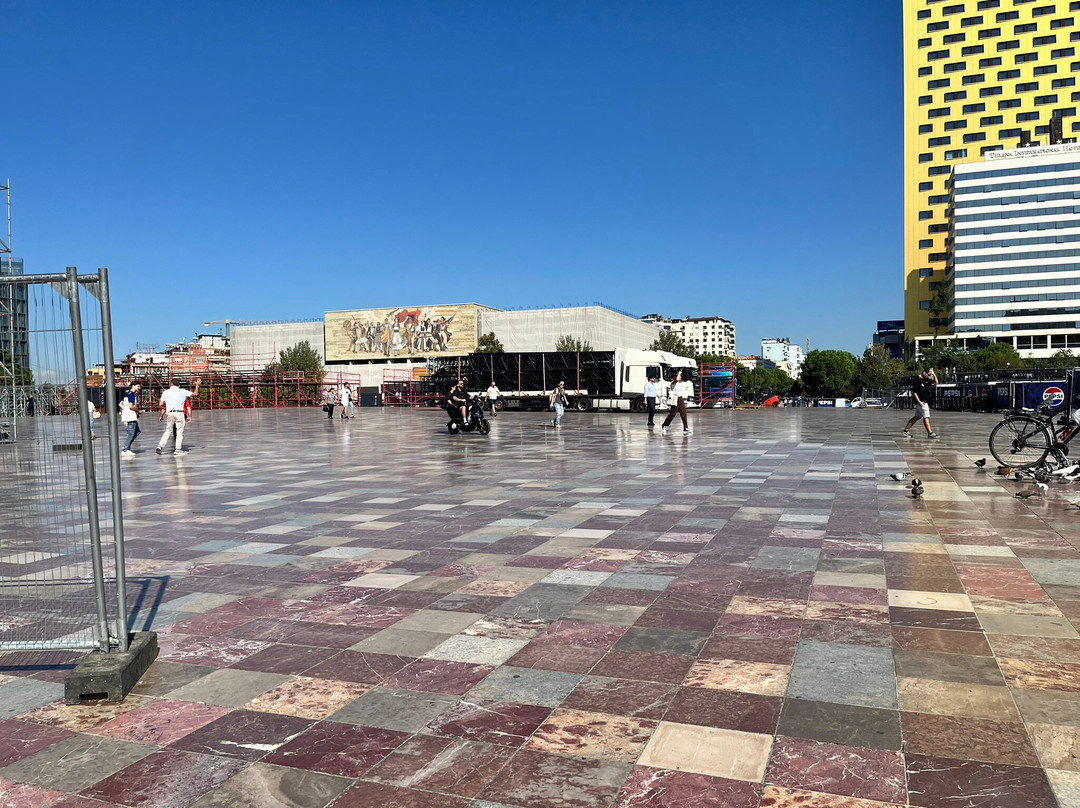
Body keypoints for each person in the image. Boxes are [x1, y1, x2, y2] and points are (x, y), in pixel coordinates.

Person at [156, 379, 200, 455]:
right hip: (179, 413)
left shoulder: (166, 392)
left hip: (170, 413)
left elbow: (161, 403)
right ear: (178, 384)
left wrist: (169, 405)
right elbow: (195, 394)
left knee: (168, 430)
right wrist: (197, 385)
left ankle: (160, 446)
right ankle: (178, 449)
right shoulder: (182, 391)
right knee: (179, 431)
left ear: (171, 384)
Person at [903, 367, 939, 440]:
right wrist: (919, 402)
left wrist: (934, 374)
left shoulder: (925, 379)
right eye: (929, 375)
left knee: (917, 416)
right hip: (921, 402)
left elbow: (936, 382)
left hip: (925, 401)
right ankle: (930, 432)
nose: (929, 377)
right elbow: (914, 392)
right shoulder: (917, 380)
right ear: (924, 373)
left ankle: (906, 430)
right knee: (926, 416)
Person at [120, 382, 142, 456]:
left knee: (137, 432)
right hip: (131, 416)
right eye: (138, 386)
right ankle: (125, 449)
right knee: (131, 433)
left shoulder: (128, 394)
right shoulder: (132, 394)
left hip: (128, 415)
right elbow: (131, 406)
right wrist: (138, 410)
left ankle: (127, 446)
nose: (139, 387)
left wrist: (124, 410)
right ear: (133, 386)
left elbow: (121, 403)